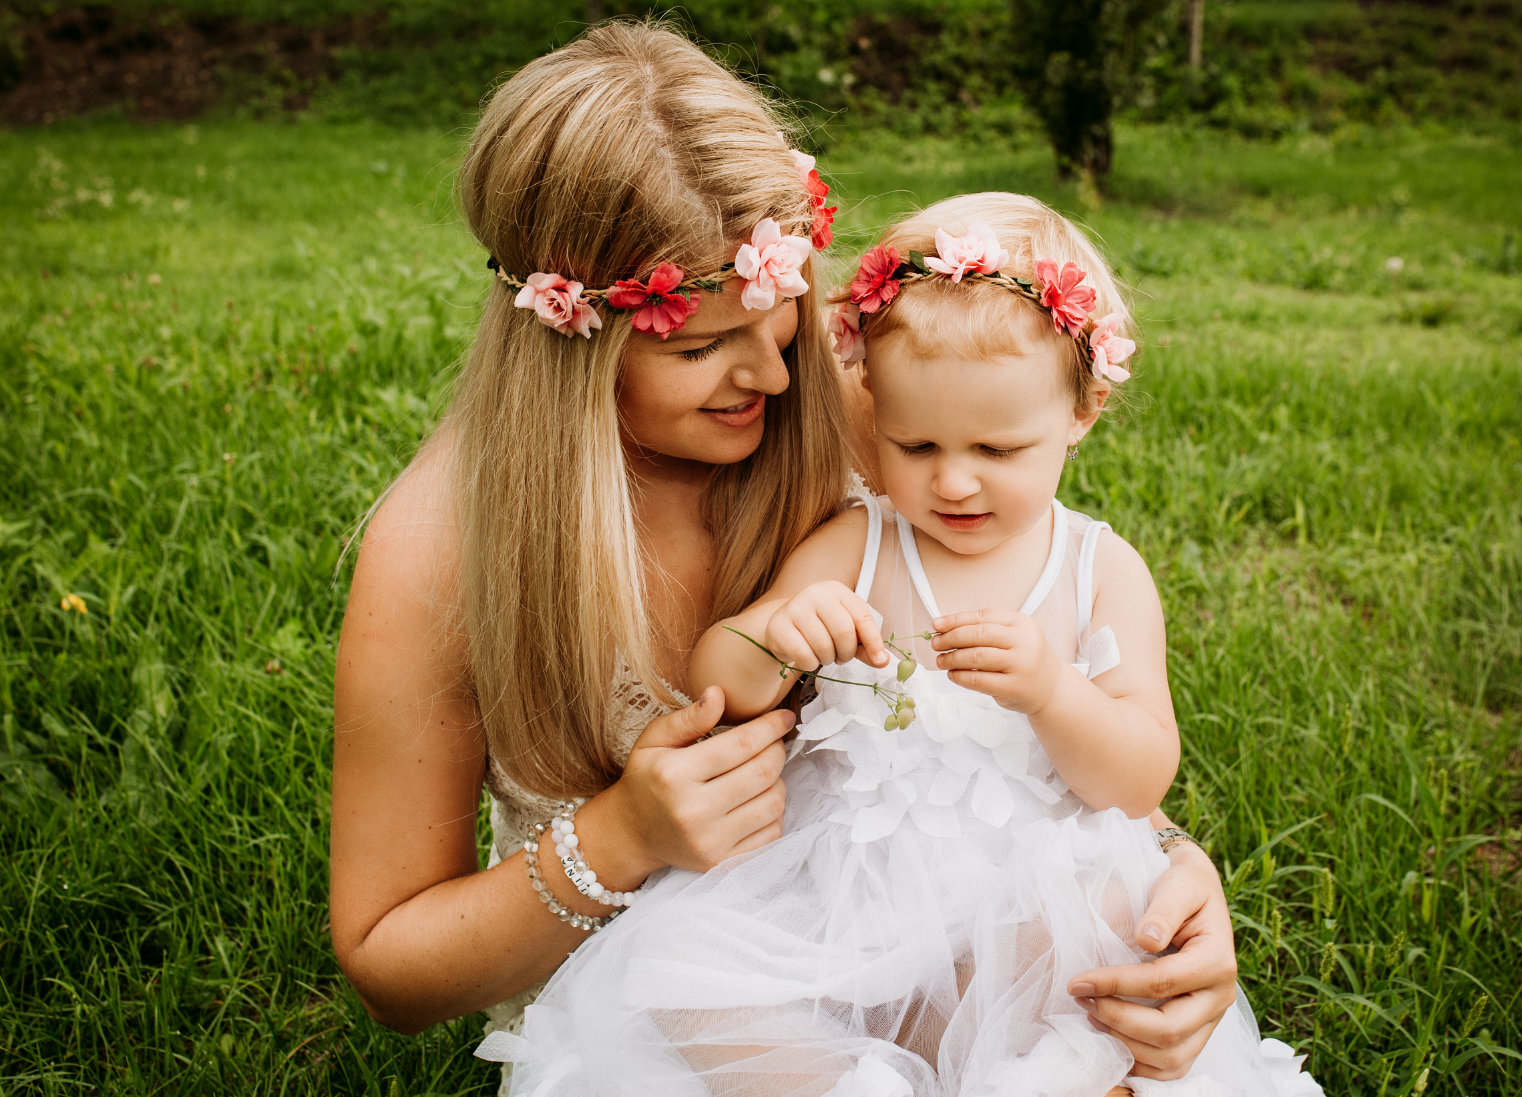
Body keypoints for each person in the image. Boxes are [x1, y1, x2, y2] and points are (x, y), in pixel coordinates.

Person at [330, 20, 1240, 1092]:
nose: (772, 375)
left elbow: (1017, 714)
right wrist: (621, 838)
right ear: (569, 336)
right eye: (700, 343)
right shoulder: (444, 544)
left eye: (781, 313)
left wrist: (1172, 874)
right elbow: (390, 968)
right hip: (696, 1019)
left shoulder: (885, 419)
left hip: (929, 946)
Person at [473, 193, 1322, 1096]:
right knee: (681, 961)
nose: (953, 481)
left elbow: (1139, 777)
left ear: (1084, 410)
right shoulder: (862, 540)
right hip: (845, 897)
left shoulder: (1098, 571)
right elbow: (720, 678)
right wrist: (777, 634)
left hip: (1014, 910)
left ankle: (1028, 1077)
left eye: (998, 449)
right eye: (914, 445)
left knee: (1111, 917)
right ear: (869, 404)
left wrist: (1053, 691)